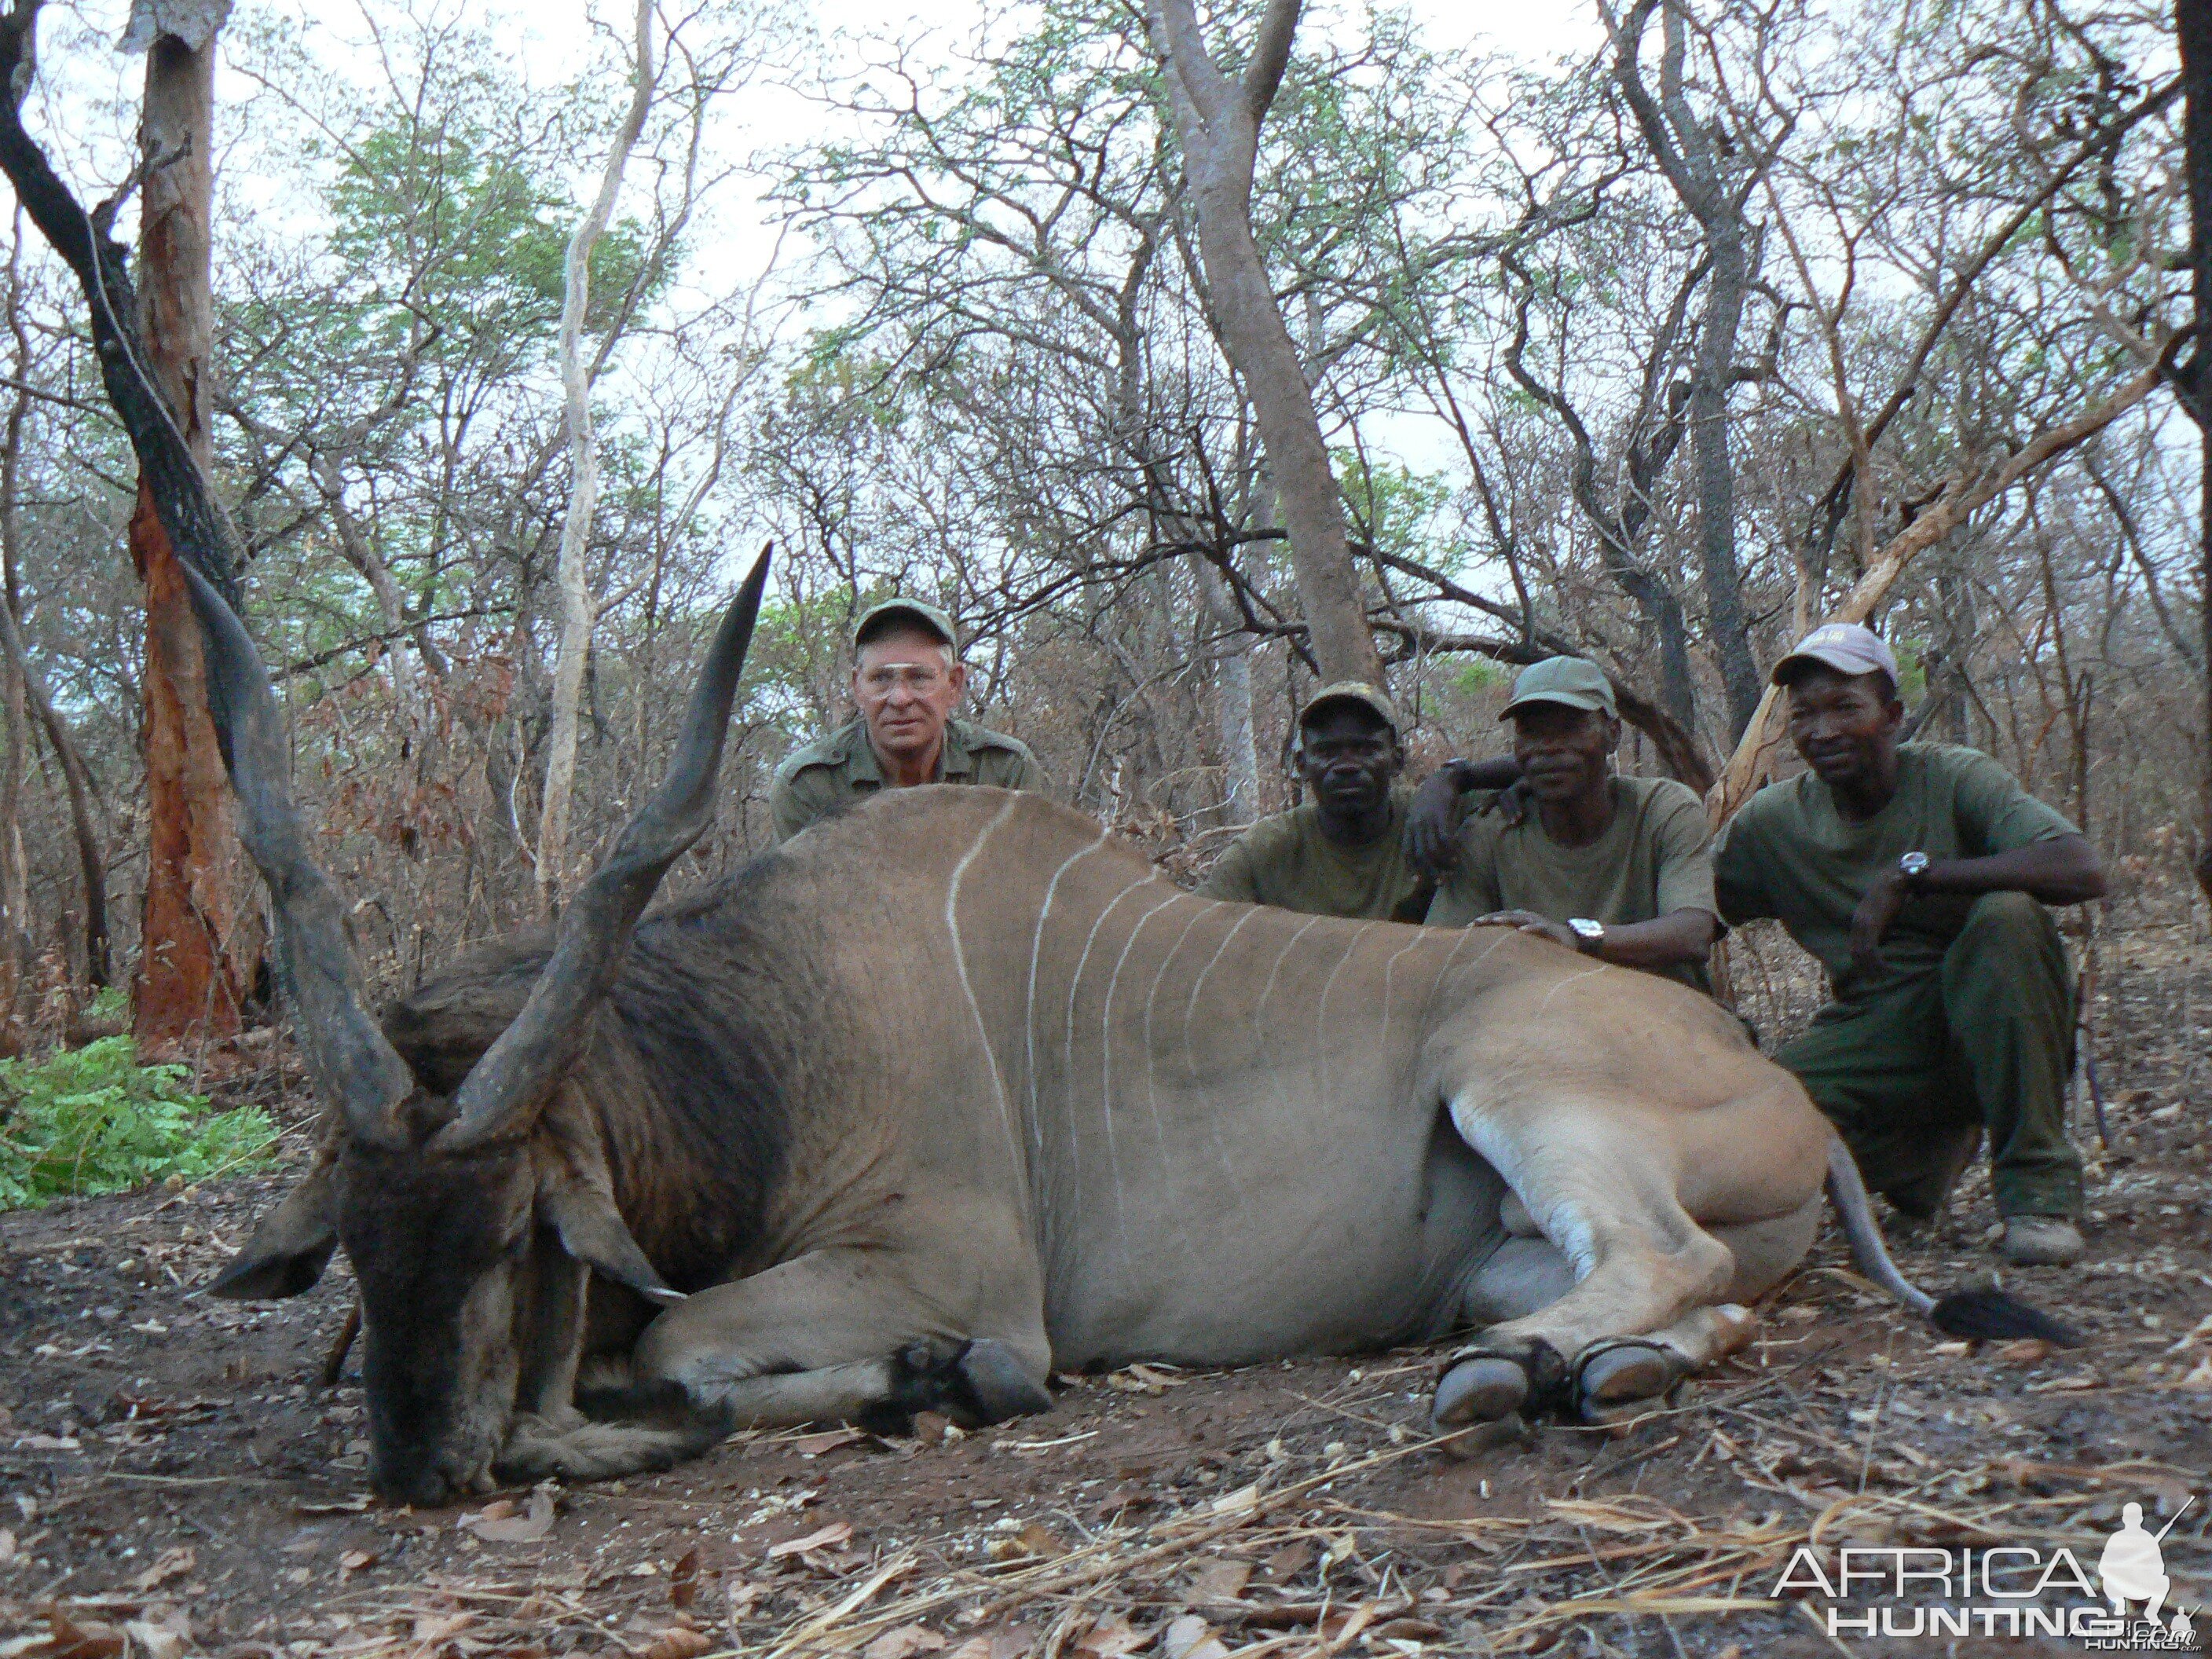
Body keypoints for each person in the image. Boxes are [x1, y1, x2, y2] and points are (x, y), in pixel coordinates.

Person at [1712, 622, 2107, 1266]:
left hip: (2000, 1020)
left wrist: (1914, 876)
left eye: (1846, 707)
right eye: (1805, 714)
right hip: (1879, 1030)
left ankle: (2038, 1195)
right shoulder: (1774, 822)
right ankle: (1919, 1156)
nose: (1823, 730)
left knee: (2006, 918)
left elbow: (2081, 868)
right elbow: (1695, 911)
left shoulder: (1955, 778)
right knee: (1759, 1125)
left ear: (1892, 716)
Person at [1418, 657, 1719, 988]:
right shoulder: (1489, 833)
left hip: (1668, 1018)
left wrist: (1575, 937)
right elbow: (1442, 956)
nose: (1548, 747)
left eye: (1570, 728)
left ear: (1613, 734)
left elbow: (1693, 931)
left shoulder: (1664, 809)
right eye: (1531, 732)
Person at [1199, 683, 1497, 920]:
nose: (1347, 765)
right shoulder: (1266, 848)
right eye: (1328, 752)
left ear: (1397, 760)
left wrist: (1455, 777)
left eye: (1366, 749)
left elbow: (1537, 767)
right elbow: (1193, 925)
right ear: (1302, 765)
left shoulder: (1432, 813)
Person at [770, 597, 1045, 843]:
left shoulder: (1005, 771)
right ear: (857, 687)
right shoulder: (808, 785)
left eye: (919, 677)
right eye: (881, 679)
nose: (900, 699)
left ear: (954, 685)